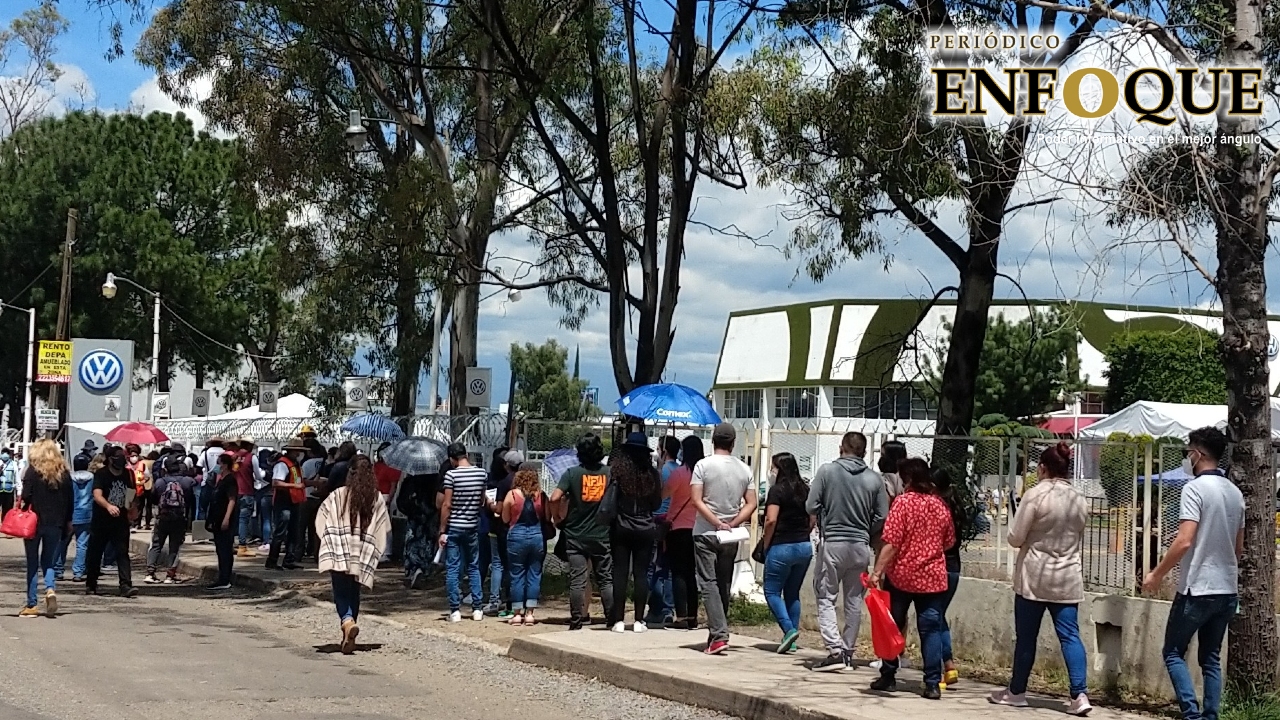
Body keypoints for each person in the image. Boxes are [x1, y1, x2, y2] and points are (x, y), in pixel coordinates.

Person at [1141, 427, 1243, 720]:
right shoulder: (1235, 493)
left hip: (1197, 588)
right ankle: (1210, 716)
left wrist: (1157, 574)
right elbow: (1238, 547)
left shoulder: (1194, 489)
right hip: (1226, 589)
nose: (1188, 458)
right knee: (1210, 659)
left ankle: (1191, 714)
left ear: (1198, 454)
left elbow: (1184, 539)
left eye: (1189, 452)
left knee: (1173, 652)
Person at [988, 442, 1090, 715]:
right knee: (1070, 636)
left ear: (1042, 468)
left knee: (1027, 638)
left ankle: (1017, 691)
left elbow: (1015, 537)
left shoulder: (1035, 495)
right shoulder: (1079, 499)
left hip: (1034, 576)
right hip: (1068, 576)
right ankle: (1079, 694)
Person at [868, 458, 954, 700]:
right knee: (930, 629)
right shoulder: (940, 505)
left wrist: (877, 572)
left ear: (908, 479)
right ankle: (932, 683)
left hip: (902, 577)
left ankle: (888, 675)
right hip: (933, 578)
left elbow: (891, 542)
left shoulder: (903, 503)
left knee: (892, 625)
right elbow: (949, 541)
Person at [806, 431, 887, 671]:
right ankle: (848, 651)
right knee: (853, 600)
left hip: (833, 543)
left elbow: (811, 505)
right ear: (864, 451)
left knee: (826, 596)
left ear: (842, 447)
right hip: (860, 545)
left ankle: (834, 650)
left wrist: (826, 511)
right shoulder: (874, 479)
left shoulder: (827, 472)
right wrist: (866, 528)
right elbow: (882, 515)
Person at [690, 422, 756, 655]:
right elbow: (752, 503)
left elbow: (697, 499)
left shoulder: (703, 465)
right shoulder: (743, 469)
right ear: (733, 443)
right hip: (731, 534)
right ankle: (717, 633)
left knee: (708, 583)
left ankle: (719, 635)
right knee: (723, 583)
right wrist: (733, 522)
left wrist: (716, 521)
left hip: (706, 531)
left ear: (713, 440)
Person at [316, 455, 391, 655]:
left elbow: (321, 520)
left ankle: (347, 622)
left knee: (340, 591)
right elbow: (384, 528)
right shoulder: (376, 498)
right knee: (353, 591)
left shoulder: (338, 495)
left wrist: (328, 540)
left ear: (350, 472)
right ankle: (349, 629)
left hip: (339, 549)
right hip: (361, 553)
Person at [551, 433, 615, 630]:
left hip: (575, 534)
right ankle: (612, 619)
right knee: (605, 579)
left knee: (578, 580)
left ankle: (576, 620)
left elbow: (554, 498)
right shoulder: (610, 473)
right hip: (603, 533)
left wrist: (557, 519)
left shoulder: (571, 473)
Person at [608, 433, 663, 633]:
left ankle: (619, 620)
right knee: (641, 573)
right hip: (645, 526)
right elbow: (656, 503)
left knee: (620, 572)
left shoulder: (618, 472)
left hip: (621, 526)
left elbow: (611, 498)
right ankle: (639, 620)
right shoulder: (652, 475)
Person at [760, 452, 813, 654]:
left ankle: (789, 630)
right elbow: (812, 519)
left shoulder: (777, 491)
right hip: (804, 547)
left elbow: (771, 520)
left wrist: (766, 544)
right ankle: (791, 640)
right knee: (792, 593)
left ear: (780, 469)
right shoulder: (805, 490)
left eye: (773, 467)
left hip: (781, 546)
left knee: (772, 591)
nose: (771, 471)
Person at [18, 439, 73, 617]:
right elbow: (70, 500)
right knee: (48, 561)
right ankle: (50, 589)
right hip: (56, 523)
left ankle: (31, 605)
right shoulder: (64, 473)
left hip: (33, 522)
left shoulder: (32, 471)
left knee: (32, 562)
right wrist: (67, 521)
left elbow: (26, 495)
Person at [440, 442, 487, 622]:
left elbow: (447, 504)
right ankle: (477, 608)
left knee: (453, 568)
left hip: (455, 526)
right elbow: (482, 500)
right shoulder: (481, 473)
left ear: (452, 459)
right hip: (472, 525)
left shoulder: (451, 475)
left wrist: (442, 530)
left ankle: (454, 610)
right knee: (473, 566)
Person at [934, 466, 969, 687]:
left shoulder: (937, 508)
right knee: (938, 616)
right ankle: (947, 665)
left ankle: (943, 666)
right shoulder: (956, 507)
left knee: (933, 618)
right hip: (954, 567)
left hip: (938, 566)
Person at [86, 445, 138, 598]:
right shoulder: (101, 474)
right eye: (118, 457)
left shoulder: (128, 474)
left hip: (121, 520)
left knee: (122, 553)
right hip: (101, 520)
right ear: (110, 459)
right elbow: (97, 494)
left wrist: (132, 508)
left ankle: (126, 585)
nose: (121, 460)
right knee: (95, 553)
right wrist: (108, 506)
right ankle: (91, 583)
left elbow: (132, 494)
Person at [663, 435, 702, 631]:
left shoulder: (679, 473)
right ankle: (693, 616)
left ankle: (681, 615)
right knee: (691, 574)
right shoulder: (704, 474)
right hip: (698, 529)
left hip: (678, 527)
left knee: (678, 572)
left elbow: (663, 494)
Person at [503, 463, 549, 625]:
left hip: (516, 536)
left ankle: (516, 614)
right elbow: (547, 517)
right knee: (534, 574)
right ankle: (530, 613)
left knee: (517, 574)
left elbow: (505, 519)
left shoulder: (512, 495)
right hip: (537, 536)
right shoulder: (541, 495)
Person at [644, 435, 681, 627]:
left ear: (663, 451)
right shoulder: (682, 471)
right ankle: (669, 608)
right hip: (676, 523)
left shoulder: (660, 472)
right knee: (669, 569)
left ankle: (656, 608)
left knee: (653, 568)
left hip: (658, 521)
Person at [145, 453, 196, 584]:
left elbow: (154, 499)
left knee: (156, 545)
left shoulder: (160, 482)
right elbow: (190, 498)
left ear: (165, 469)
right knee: (174, 546)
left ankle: (150, 573)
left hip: (162, 517)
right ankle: (170, 575)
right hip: (179, 518)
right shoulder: (186, 481)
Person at [481, 450, 519, 617]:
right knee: (513, 566)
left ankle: (495, 599)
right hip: (518, 527)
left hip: (498, 526)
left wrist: (489, 504)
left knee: (497, 563)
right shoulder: (524, 481)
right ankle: (514, 601)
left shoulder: (498, 482)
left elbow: (499, 509)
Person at [265, 438, 308, 571]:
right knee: (280, 532)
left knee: (294, 532)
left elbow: (299, 481)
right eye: (297, 451)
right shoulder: (283, 464)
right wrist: (295, 486)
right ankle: (272, 560)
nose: (299, 453)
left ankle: (289, 560)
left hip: (294, 501)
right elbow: (276, 483)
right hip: (283, 502)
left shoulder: (295, 465)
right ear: (291, 450)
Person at [399, 472, 441, 589]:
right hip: (430, 518)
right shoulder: (435, 480)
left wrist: (411, 512)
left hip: (414, 519)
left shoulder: (410, 481)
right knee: (427, 544)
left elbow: (401, 502)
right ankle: (424, 571)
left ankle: (413, 571)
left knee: (412, 545)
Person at [206, 452, 240, 590]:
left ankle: (225, 578)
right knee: (220, 549)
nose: (217, 466)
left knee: (225, 549)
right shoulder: (221, 479)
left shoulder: (230, 480)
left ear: (225, 465)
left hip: (225, 519)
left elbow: (232, 500)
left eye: (219, 463)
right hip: (217, 519)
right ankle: (222, 577)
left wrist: (226, 519)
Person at [62, 453, 97, 582]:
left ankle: (58, 570)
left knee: (63, 543)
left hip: (70, 513)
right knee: (82, 545)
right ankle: (78, 572)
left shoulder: (68, 478)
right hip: (87, 513)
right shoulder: (93, 478)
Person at [373, 442, 401, 564]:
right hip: (375, 495)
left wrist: (389, 499)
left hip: (384, 496)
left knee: (385, 526)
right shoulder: (375, 466)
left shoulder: (392, 468)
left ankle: (386, 552)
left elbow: (393, 486)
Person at [301, 439, 327, 560]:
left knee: (301, 527)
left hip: (307, 497)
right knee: (316, 527)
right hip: (321, 498)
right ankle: (313, 550)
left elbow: (302, 480)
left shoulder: (307, 464)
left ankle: (299, 551)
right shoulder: (325, 463)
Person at [234, 438, 259, 557]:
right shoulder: (251, 457)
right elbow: (258, 474)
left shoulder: (233, 456)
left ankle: (232, 543)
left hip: (234, 492)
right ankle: (242, 546)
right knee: (243, 519)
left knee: (235, 519)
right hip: (247, 491)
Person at [195, 438, 225, 521]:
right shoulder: (224, 453)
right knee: (218, 507)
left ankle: (201, 528)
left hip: (207, 483)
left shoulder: (205, 453)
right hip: (221, 483)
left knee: (202, 508)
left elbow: (199, 467)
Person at [126, 444, 154, 531]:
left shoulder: (142, 464)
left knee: (139, 507)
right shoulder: (126, 465)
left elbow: (147, 476)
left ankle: (136, 523)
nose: (134, 457)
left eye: (136, 456)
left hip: (140, 489)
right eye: (132, 456)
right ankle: (131, 523)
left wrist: (143, 481)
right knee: (130, 506)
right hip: (129, 490)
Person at [0, 445, 17, 521]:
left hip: (9, 490)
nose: (5, 455)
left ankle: (5, 523)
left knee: (7, 509)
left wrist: (19, 491)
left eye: (7, 453)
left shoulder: (13, 464)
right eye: (3, 453)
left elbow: (17, 477)